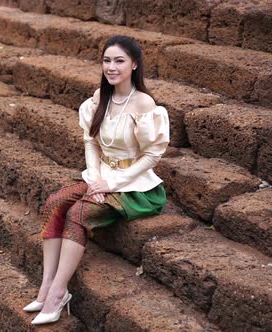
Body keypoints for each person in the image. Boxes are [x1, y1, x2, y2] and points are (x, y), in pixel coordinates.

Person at [24, 35, 170, 325]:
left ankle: (57, 293)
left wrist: (113, 184)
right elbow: (90, 142)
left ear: (134, 64)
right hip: (102, 174)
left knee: (79, 212)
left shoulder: (144, 103)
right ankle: (45, 285)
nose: (111, 67)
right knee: (55, 202)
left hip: (136, 185)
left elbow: (153, 155)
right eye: (107, 60)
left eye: (119, 61)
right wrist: (95, 180)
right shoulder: (99, 98)